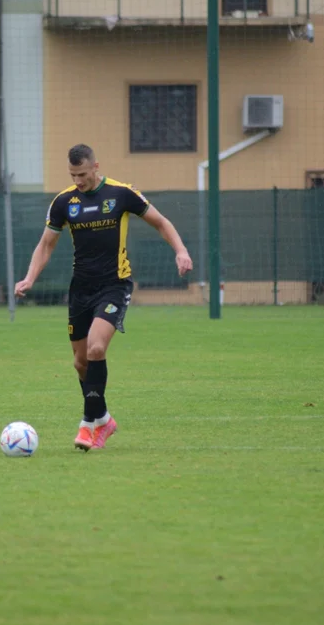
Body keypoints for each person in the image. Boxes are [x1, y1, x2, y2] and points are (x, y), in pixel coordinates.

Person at [14, 144, 193, 452]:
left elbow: (161, 222)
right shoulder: (63, 202)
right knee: (81, 363)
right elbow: (46, 245)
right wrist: (30, 277)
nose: (78, 181)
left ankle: (87, 425)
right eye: (73, 175)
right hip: (80, 289)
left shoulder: (121, 194)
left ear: (96, 166)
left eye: (82, 174)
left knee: (97, 348)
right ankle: (104, 419)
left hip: (114, 285)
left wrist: (181, 251)